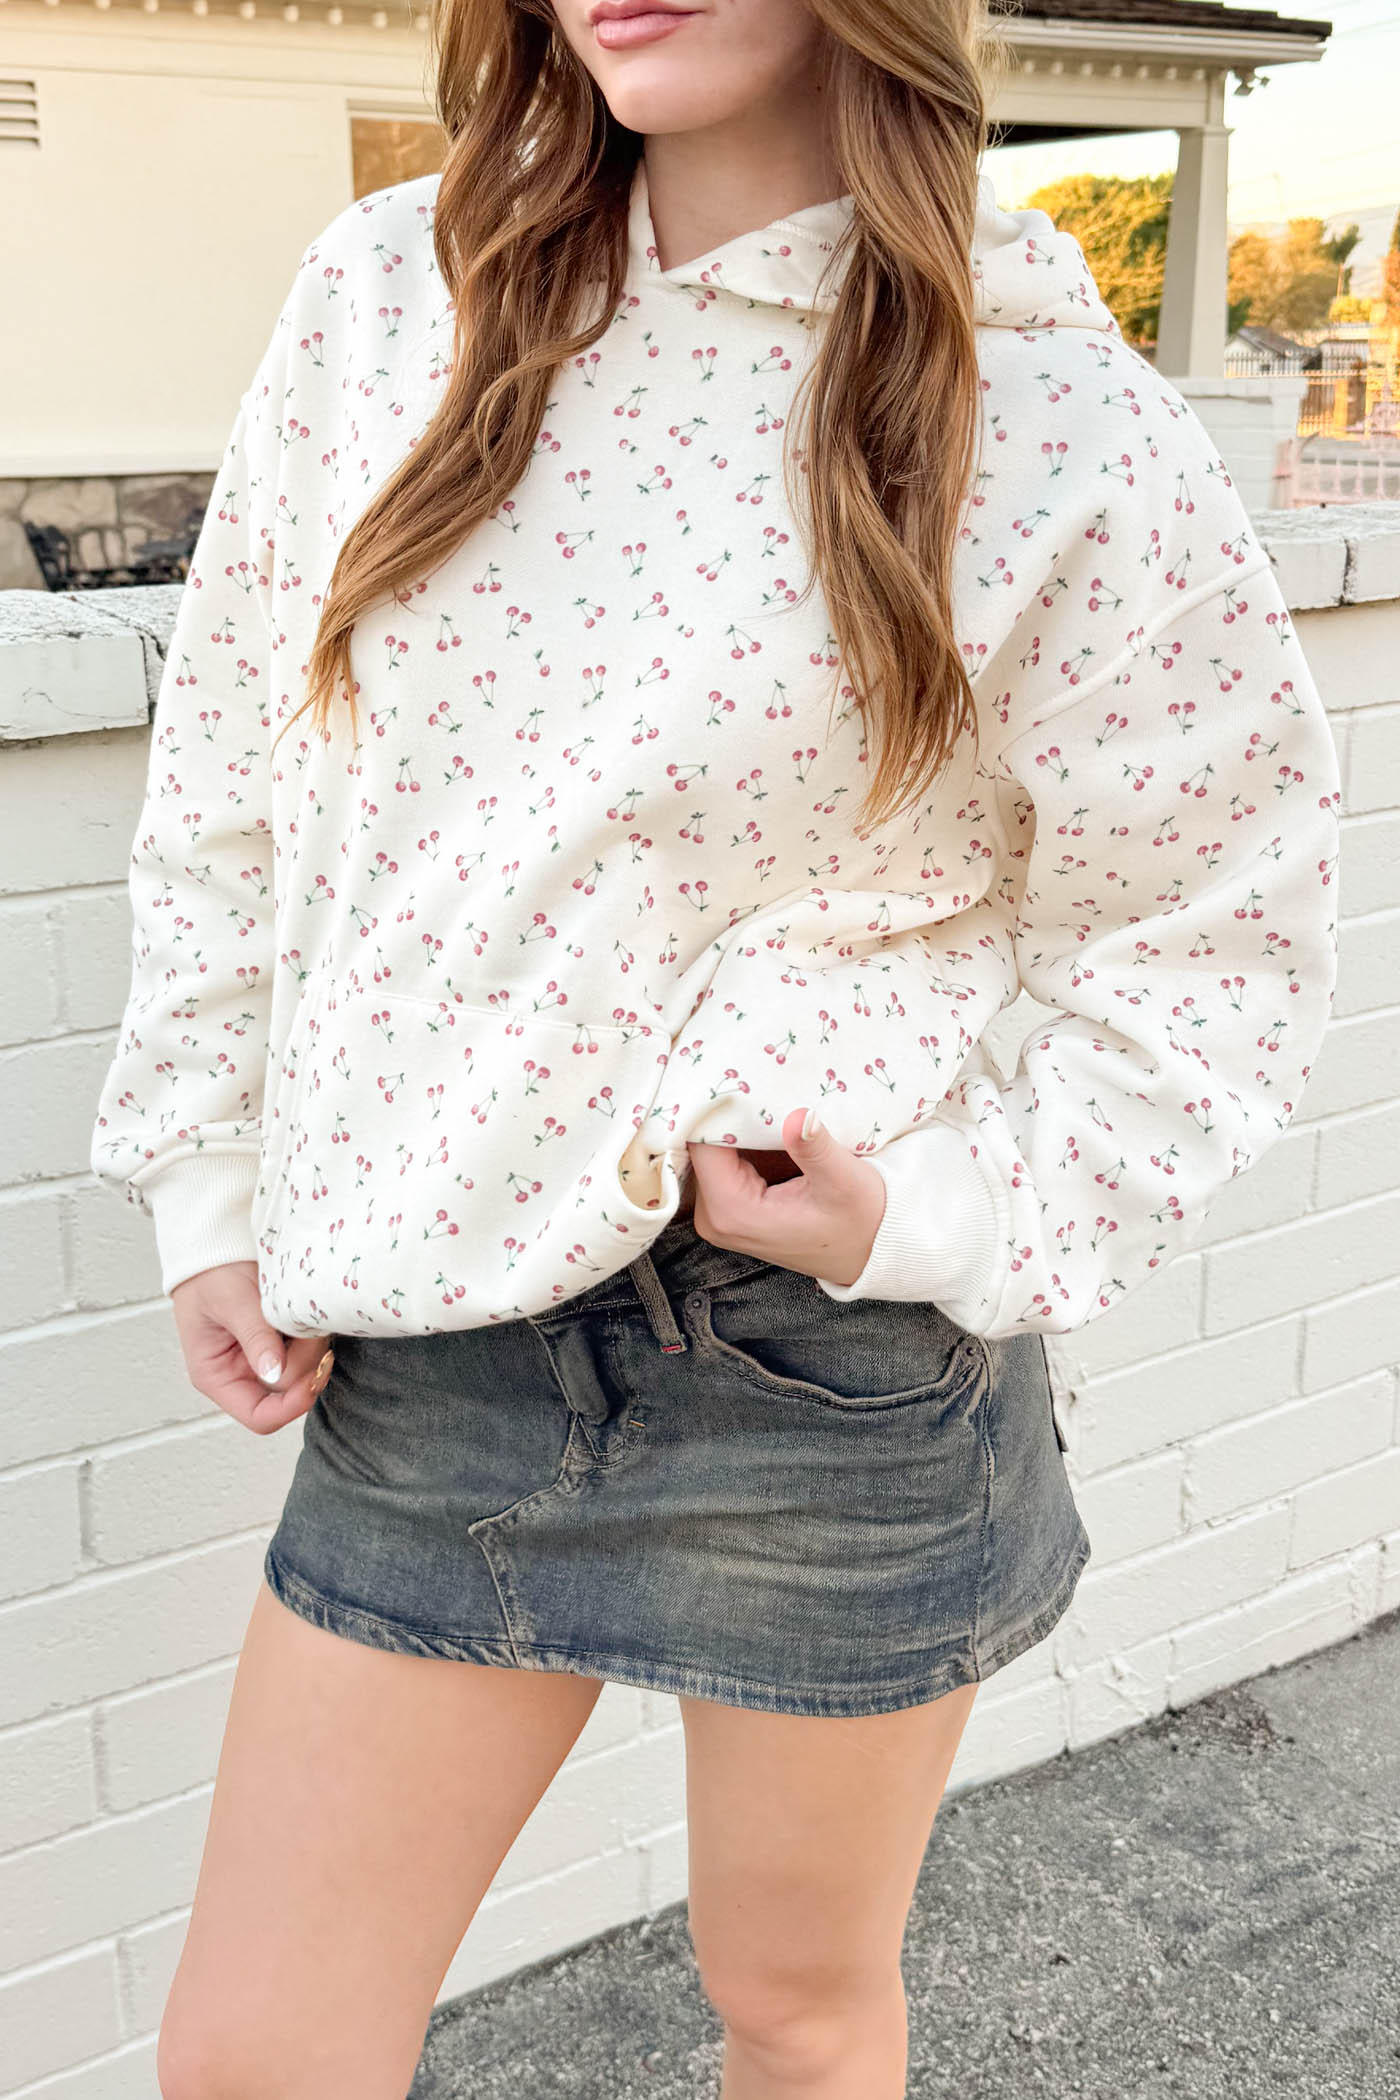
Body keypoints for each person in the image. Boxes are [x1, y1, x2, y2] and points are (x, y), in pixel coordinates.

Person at [89, 0, 1341, 2091]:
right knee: (255, 2055)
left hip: (820, 1367)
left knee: (798, 2007)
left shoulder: (1046, 409)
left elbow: (1210, 912)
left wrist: (935, 1210)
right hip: (435, 1336)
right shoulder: (394, 296)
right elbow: (232, 771)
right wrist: (210, 1185)